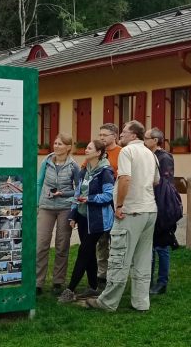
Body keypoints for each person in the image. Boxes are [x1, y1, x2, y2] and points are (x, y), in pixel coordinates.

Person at [77, 120, 157, 312]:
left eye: (124, 131)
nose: (121, 134)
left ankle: (108, 302)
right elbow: (156, 181)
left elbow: (125, 178)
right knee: (143, 259)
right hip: (149, 210)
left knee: (119, 257)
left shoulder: (127, 152)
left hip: (130, 210)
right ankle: (140, 302)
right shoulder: (150, 153)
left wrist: (119, 205)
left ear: (134, 135)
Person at [58, 139, 115, 303]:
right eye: (86, 147)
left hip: (97, 221)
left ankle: (70, 290)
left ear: (98, 152)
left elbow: (109, 195)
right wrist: (73, 215)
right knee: (88, 253)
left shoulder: (105, 172)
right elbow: (77, 194)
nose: (86, 149)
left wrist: (89, 199)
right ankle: (93, 287)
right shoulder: (84, 170)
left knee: (83, 252)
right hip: (83, 218)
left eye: (89, 148)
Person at [36, 133, 81, 295]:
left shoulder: (73, 166)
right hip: (46, 206)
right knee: (41, 244)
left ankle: (58, 281)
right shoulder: (46, 161)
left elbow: (78, 190)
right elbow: (39, 182)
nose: (56, 146)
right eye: (55, 143)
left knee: (62, 245)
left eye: (60, 144)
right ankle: (37, 282)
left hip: (65, 208)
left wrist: (64, 194)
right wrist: (37, 203)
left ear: (68, 147)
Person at [145, 127, 181, 295]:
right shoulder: (149, 155)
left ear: (155, 141)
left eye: (146, 138)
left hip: (163, 207)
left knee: (162, 247)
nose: (144, 141)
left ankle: (162, 282)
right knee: (151, 246)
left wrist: (160, 209)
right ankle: (148, 280)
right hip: (151, 204)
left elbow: (163, 184)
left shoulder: (164, 157)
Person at [95, 123, 121, 288]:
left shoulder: (121, 153)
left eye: (105, 135)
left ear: (114, 136)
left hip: (115, 201)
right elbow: (86, 169)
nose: (102, 138)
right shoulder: (98, 152)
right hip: (99, 202)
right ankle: (101, 274)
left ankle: (115, 274)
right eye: (100, 135)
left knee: (116, 240)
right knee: (101, 241)